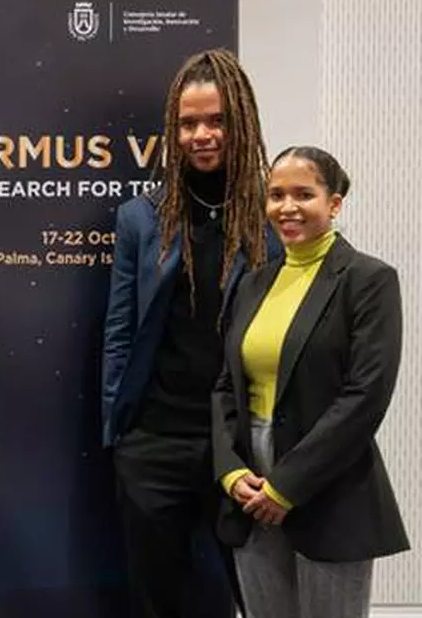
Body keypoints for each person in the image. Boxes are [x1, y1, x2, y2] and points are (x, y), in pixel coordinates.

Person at [101, 48, 282, 618]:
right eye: (188, 123)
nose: (201, 135)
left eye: (216, 120)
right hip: (155, 441)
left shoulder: (274, 217)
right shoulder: (141, 217)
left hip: (245, 444)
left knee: (258, 597)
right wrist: (121, 435)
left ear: (241, 121)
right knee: (156, 600)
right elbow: (120, 331)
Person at [213, 146, 409, 617]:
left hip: (329, 483)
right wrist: (230, 471)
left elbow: (366, 396)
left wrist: (286, 486)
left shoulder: (369, 279)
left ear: (334, 203)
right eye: (276, 195)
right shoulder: (253, 283)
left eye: (304, 194)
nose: (288, 207)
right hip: (250, 485)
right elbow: (225, 387)